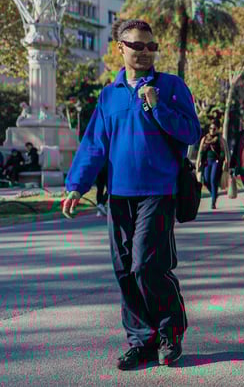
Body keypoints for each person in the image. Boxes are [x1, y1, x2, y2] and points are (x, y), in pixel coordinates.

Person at [62, 19, 201, 370]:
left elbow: (191, 132)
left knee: (146, 265)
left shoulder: (170, 86)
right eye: (137, 46)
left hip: (159, 191)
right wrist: (77, 185)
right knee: (124, 269)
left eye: (151, 47)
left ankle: (170, 332)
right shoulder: (109, 95)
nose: (145, 53)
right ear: (119, 47)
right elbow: (94, 144)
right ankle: (141, 340)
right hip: (120, 195)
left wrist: (158, 106)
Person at [196, 122, 229, 210]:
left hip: (216, 162)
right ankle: (214, 194)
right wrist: (199, 161)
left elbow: (224, 151)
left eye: (214, 128)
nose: (212, 130)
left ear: (217, 129)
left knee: (213, 180)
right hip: (207, 162)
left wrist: (225, 161)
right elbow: (200, 151)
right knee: (206, 181)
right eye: (210, 128)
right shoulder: (205, 138)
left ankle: (213, 202)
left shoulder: (220, 139)